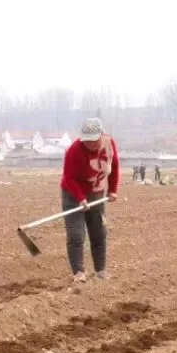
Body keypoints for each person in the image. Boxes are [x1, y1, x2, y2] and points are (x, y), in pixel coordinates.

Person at [60, 117, 119, 282]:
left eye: (94, 140)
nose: (91, 144)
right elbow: (69, 178)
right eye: (87, 140)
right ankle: (79, 273)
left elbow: (114, 166)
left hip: (96, 193)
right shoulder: (73, 151)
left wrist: (113, 190)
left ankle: (100, 271)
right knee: (76, 234)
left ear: (101, 135)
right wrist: (80, 198)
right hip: (73, 194)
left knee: (99, 233)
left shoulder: (109, 144)